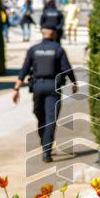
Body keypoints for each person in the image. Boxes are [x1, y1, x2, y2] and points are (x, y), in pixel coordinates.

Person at [13, 26, 78, 161]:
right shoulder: (58, 49)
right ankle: (46, 151)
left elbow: (25, 68)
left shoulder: (33, 49)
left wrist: (17, 88)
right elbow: (67, 68)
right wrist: (74, 83)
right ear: (53, 34)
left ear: (42, 34)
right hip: (53, 86)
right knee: (50, 119)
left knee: (40, 115)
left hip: (37, 86)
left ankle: (45, 143)